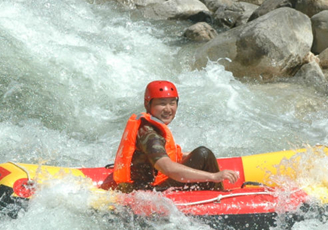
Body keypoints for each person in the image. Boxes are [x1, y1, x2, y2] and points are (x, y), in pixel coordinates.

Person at [103, 80, 240, 192]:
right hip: (147, 191)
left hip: (149, 184)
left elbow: (167, 154)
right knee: (203, 153)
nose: (168, 109)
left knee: (201, 155)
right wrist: (214, 176)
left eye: (172, 103)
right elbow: (168, 168)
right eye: (162, 104)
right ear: (147, 104)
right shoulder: (149, 134)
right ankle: (218, 197)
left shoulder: (151, 126)